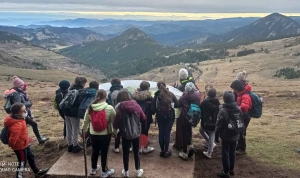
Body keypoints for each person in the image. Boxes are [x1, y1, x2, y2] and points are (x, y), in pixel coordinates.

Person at [4, 103, 49, 178]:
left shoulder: (20, 119)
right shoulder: (17, 125)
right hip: (20, 147)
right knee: (22, 162)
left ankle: (37, 172)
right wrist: (16, 146)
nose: (26, 112)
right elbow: (12, 140)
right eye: (23, 111)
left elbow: (21, 134)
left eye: (25, 109)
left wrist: (26, 139)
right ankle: (19, 176)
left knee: (31, 156)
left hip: (24, 143)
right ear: (17, 114)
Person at [4, 76, 48, 144]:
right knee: (33, 124)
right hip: (19, 114)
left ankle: (26, 141)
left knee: (24, 127)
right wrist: (28, 104)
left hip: (18, 114)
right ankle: (38, 139)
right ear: (18, 85)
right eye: (21, 85)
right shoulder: (16, 94)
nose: (23, 86)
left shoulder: (17, 92)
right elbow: (18, 105)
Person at [82, 90, 116, 177]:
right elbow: (114, 123)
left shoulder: (90, 108)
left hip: (93, 134)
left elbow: (85, 122)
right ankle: (105, 171)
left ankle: (93, 169)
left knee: (95, 151)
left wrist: (83, 131)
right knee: (104, 152)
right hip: (105, 134)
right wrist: (114, 132)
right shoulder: (110, 108)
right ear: (106, 97)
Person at [113, 90, 145, 178]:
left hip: (125, 134)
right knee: (136, 151)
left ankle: (126, 171)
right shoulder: (136, 106)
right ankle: (138, 170)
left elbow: (115, 125)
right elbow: (143, 118)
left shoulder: (119, 109)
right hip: (136, 132)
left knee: (125, 152)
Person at [215, 91, 242, 178]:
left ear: (224, 100)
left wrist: (216, 136)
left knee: (225, 152)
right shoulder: (238, 109)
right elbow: (241, 123)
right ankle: (231, 169)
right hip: (235, 134)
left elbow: (218, 125)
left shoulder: (222, 111)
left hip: (226, 136)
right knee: (232, 151)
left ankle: (225, 172)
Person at [151, 81, 179, 158]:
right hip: (170, 117)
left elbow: (153, 109)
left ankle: (162, 151)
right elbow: (177, 105)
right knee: (167, 133)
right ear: (165, 86)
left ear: (157, 87)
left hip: (160, 117)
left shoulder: (156, 95)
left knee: (161, 132)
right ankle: (166, 151)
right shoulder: (171, 94)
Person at [63, 76, 87, 153]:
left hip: (66, 111)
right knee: (75, 128)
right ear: (82, 83)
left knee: (68, 127)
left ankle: (69, 145)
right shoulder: (80, 91)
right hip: (73, 112)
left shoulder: (70, 88)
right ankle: (75, 146)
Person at [178, 82, 200, 160]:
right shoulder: (197, 95)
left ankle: (184, 152)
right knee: (189, 131)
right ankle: (190, 145)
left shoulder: (184, 96)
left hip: (185, 117)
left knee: (184, 133)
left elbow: (178, 104)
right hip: (193, 117)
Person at [230, 80, 252, 155]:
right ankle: (239, 146)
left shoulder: (245, 95)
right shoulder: (240, 94)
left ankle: (242, 149)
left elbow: (245, 107)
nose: (234, 91)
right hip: (242, 115)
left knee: (242, 132)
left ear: (238, 88)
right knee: (240, 131)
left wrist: (236, 108)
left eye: (235, 89)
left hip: (245, 116)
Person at [132, 81, 155, 154]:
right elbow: (152, 109)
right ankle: (145, 147)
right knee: (145, 131)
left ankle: (137, 147)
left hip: (136, 117)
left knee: (137, 131)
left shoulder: (134, 96)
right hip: (146, 117)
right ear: (148, 88)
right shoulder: (149, 97)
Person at [200, 88, 220, 159]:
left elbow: (201, 109)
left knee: (202, 131)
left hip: (206, 121)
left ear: (208, 94)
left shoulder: (205, 102)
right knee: (212, 134)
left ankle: (209, 152)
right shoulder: (217, 101)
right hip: (214, 121)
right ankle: (211, 145)